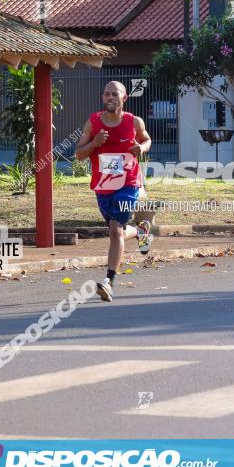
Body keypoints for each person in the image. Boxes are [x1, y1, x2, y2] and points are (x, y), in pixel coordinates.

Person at [75, 80, 153, 302]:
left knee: (115, 229)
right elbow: (79, 154)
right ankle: (140, 232)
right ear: (103, 98)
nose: (110, 98)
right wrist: (95, 143)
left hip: (128, 183)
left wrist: (142, 148)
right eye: (107, 94)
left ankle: (109, 281)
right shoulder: (93, 123)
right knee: (116, 230)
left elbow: (147, 139)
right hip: (103, 185)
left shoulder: (133, 122)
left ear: (124, 98)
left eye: (115, 94)